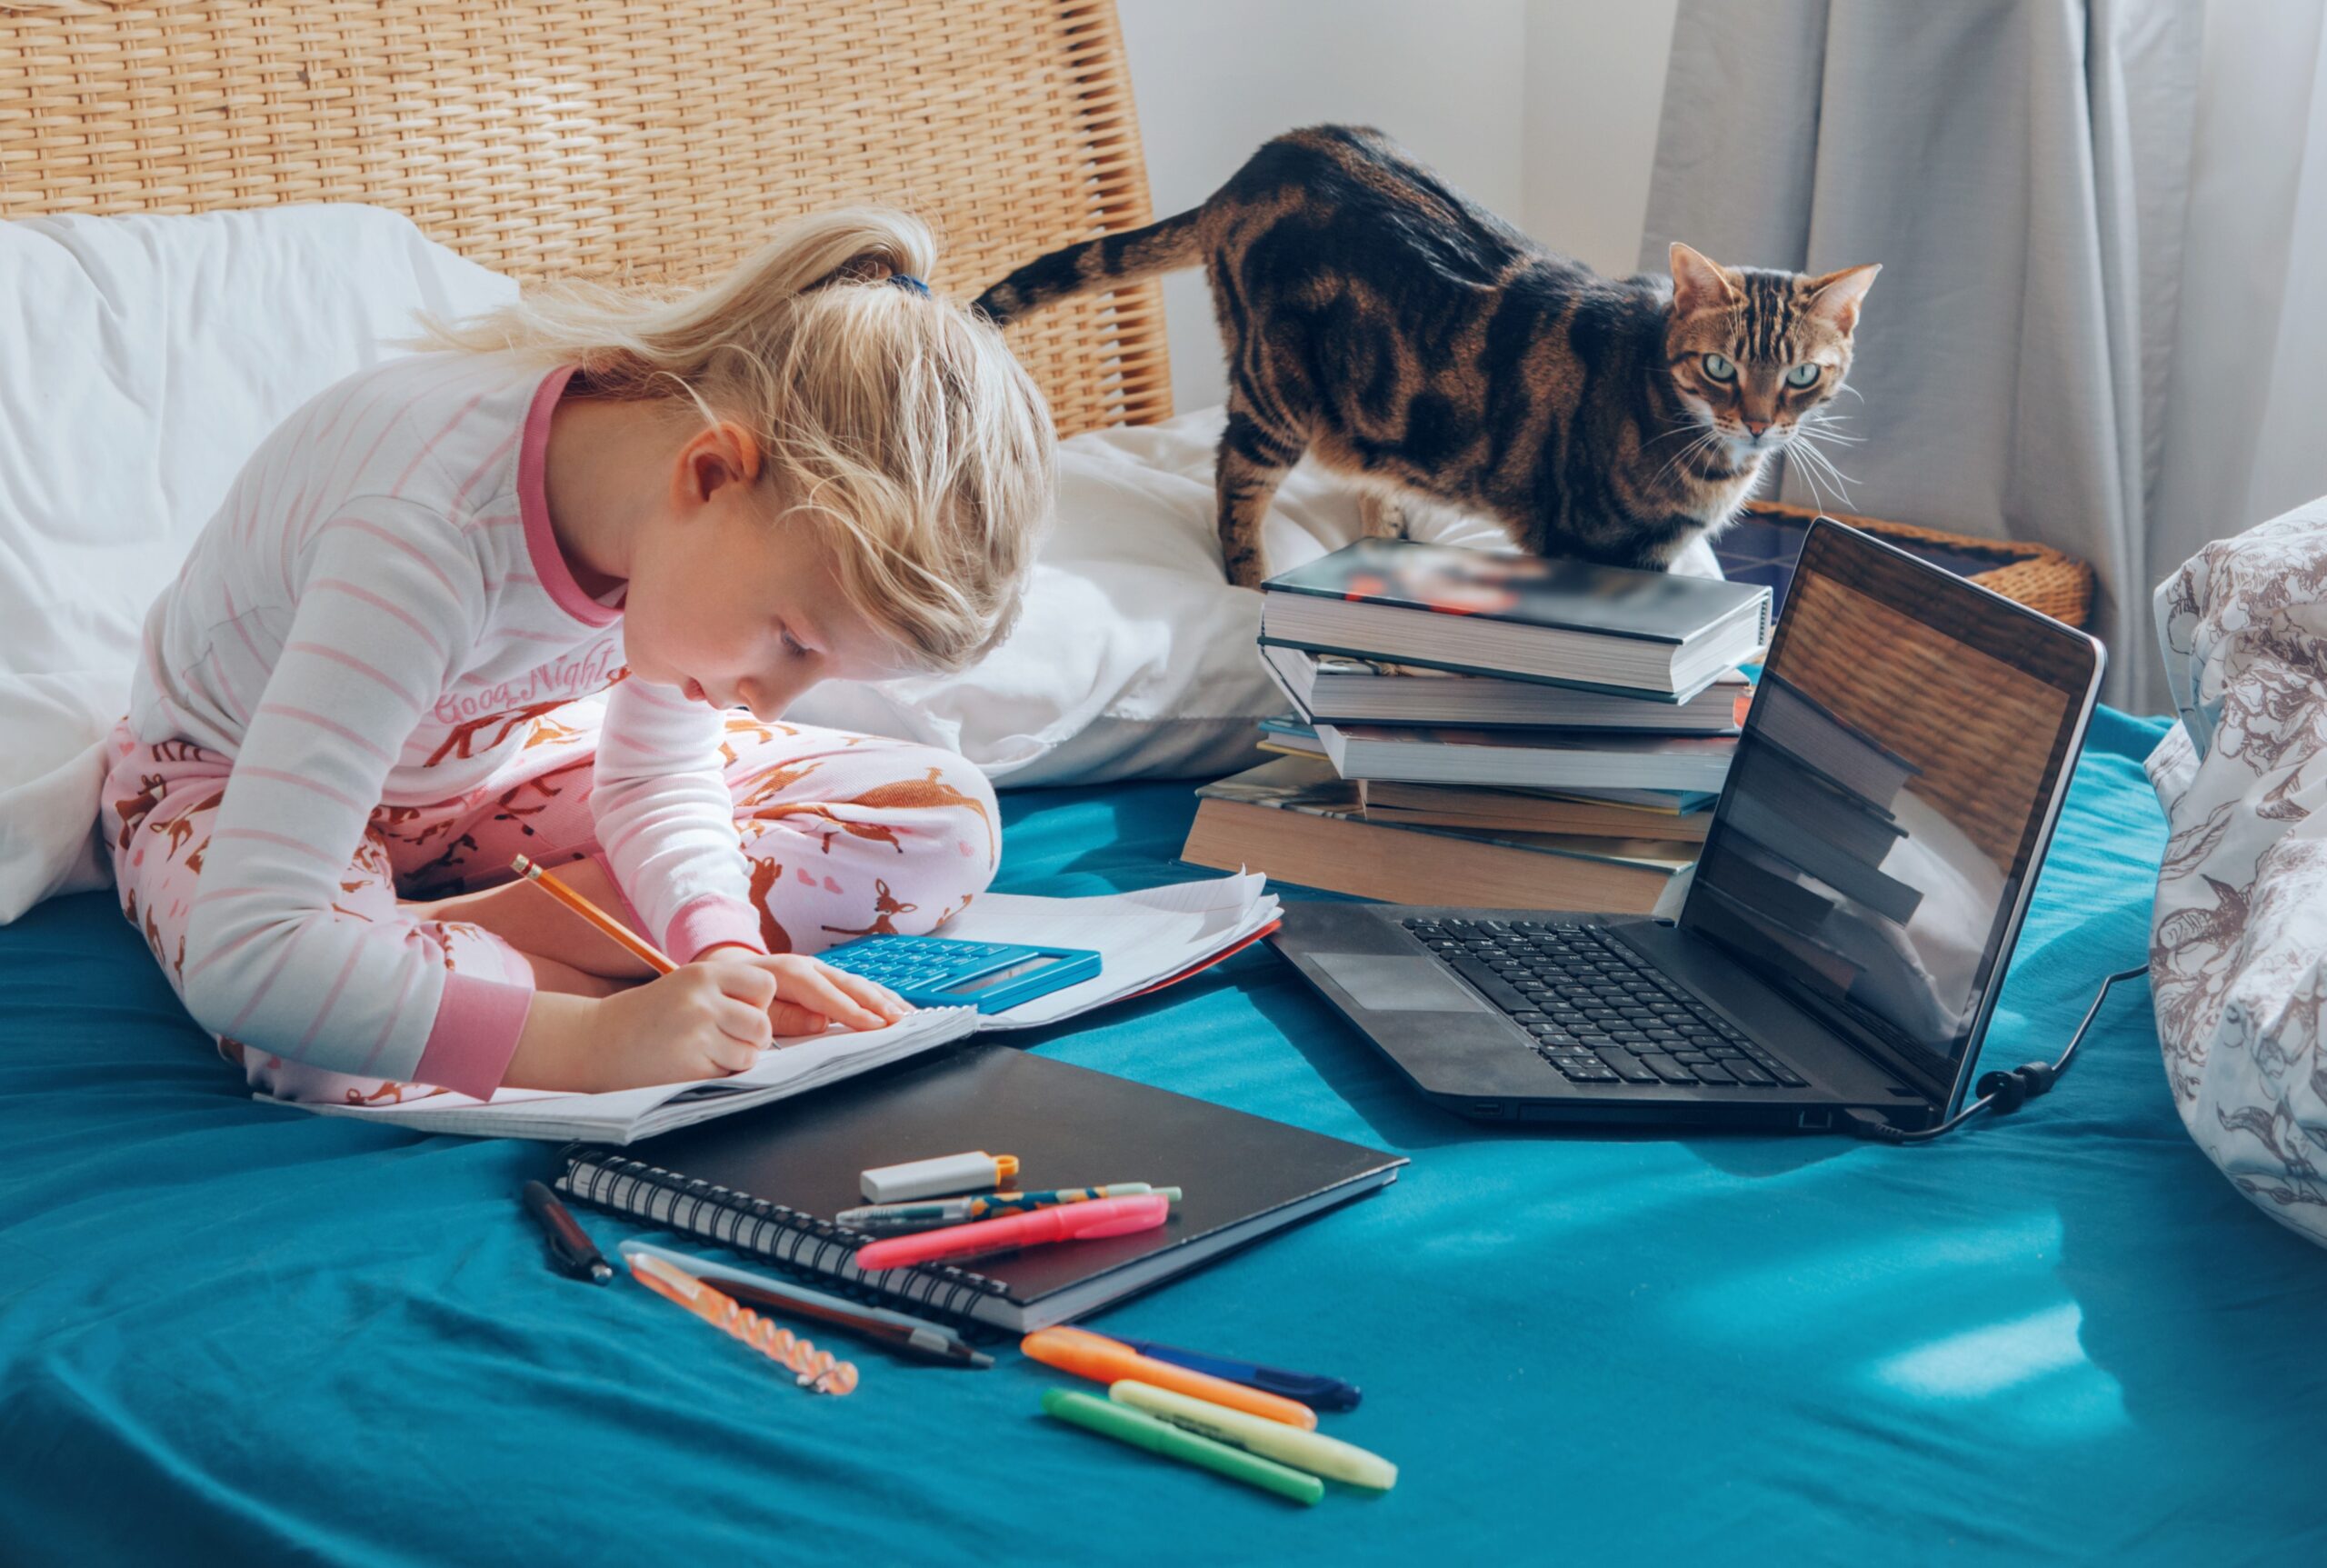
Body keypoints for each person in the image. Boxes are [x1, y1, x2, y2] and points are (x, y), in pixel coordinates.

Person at [97, 207, 1055, 1107]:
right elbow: (244, 960)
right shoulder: (420, 533)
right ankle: (384, 953)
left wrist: (723, 956)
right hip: (233, 776)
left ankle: (415, 943)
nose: (771, 702)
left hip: (485, 767)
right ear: (712, 473)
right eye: (796, 641)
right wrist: (591, 1047)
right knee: (306, 1037)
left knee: (942, 821)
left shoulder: (675, 528)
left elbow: (652, 778)